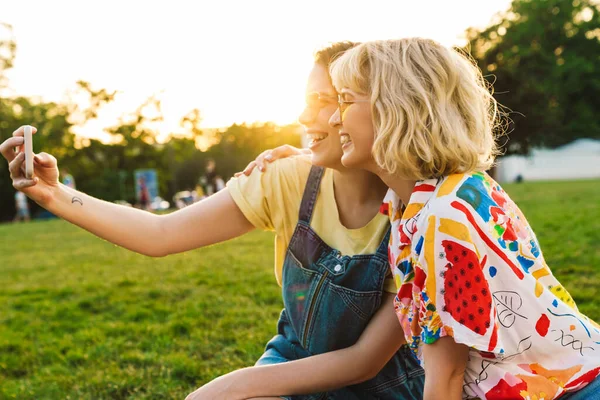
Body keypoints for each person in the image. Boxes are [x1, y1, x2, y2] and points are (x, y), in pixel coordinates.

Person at [1, 42, 424, 400]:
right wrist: (54, 195)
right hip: (293, 362)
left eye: (327, 101)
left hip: (382, 382)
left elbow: (364, 361)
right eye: (307, 101)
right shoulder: (288, 179)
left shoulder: (417, 211)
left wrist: (234, 384)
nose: (305, 117)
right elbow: (160, 233)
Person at [324, 38, 600, 400]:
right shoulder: (446, 193)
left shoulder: (442, 219)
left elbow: (447, 376)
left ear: (398, 107)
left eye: (345, 100)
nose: (333, 118)